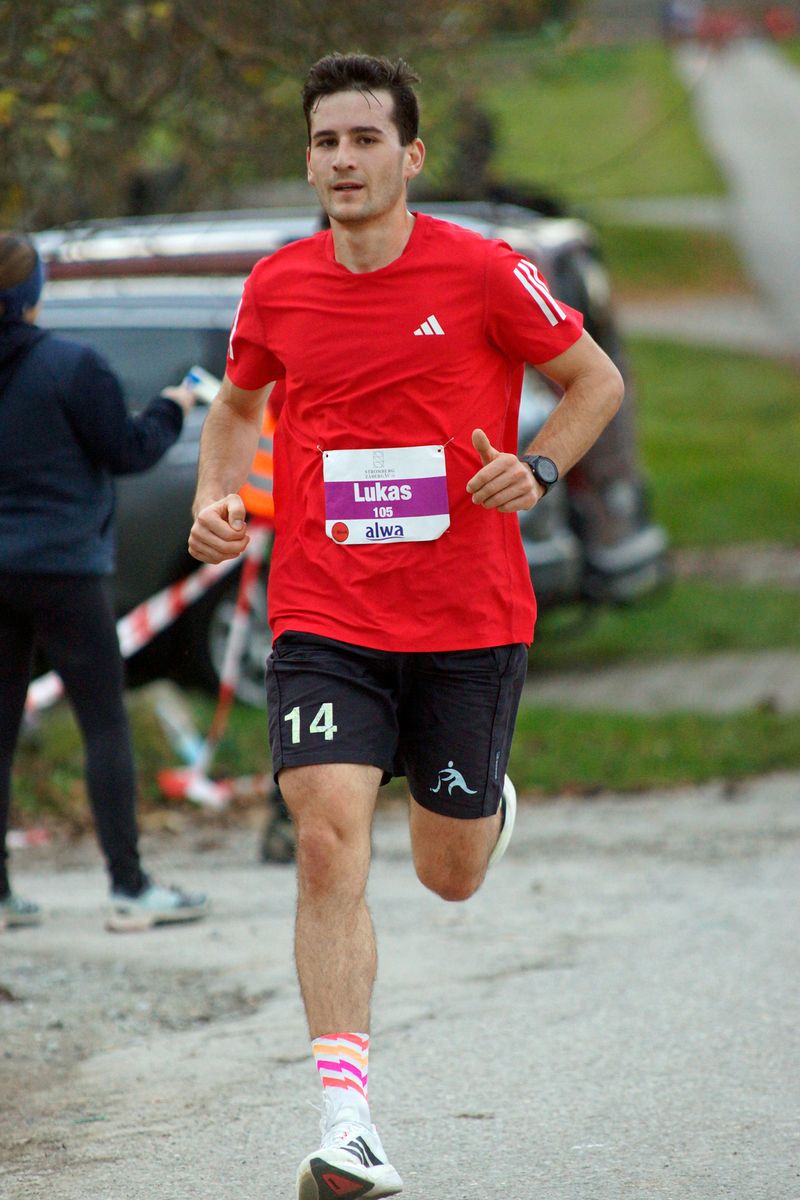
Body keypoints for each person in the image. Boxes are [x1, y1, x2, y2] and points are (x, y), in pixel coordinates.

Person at [188, 53, 623, 1199]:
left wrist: (535, 466)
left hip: (466, 617)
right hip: (324, 612)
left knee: (448, 875)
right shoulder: (277, 285)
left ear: (409, 155)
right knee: (324, 838)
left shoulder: (483, 271)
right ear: (309, 159)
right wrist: (215, 501)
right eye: (325, 141)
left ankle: (477, 805)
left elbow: (593, 382)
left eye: (364, 139)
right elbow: (236, 405)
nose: (343, 160)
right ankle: (348, 1125)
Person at [0, 232, 209, 932]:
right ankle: (128, 886)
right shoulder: (72, 365)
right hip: (65, 568)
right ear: (33, 296)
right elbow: (129, 450)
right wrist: (173, 406)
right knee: (103, 722)